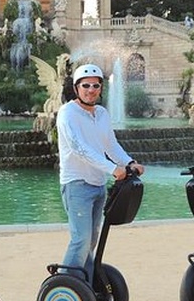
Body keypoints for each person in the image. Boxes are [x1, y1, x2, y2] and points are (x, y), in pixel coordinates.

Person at [56, 64, 144, 282]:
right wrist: (113, 169)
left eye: (96, 85)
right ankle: (64, 287)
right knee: (81, 240)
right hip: (76, 183)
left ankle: (86, 285)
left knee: (92, 240)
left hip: (98, 185)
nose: (91, 89)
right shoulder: (68, 113)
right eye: (86, 85)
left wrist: (129, 162)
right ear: (76, 88)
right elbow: (79, 148)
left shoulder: (102, 114)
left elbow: (111, 146)